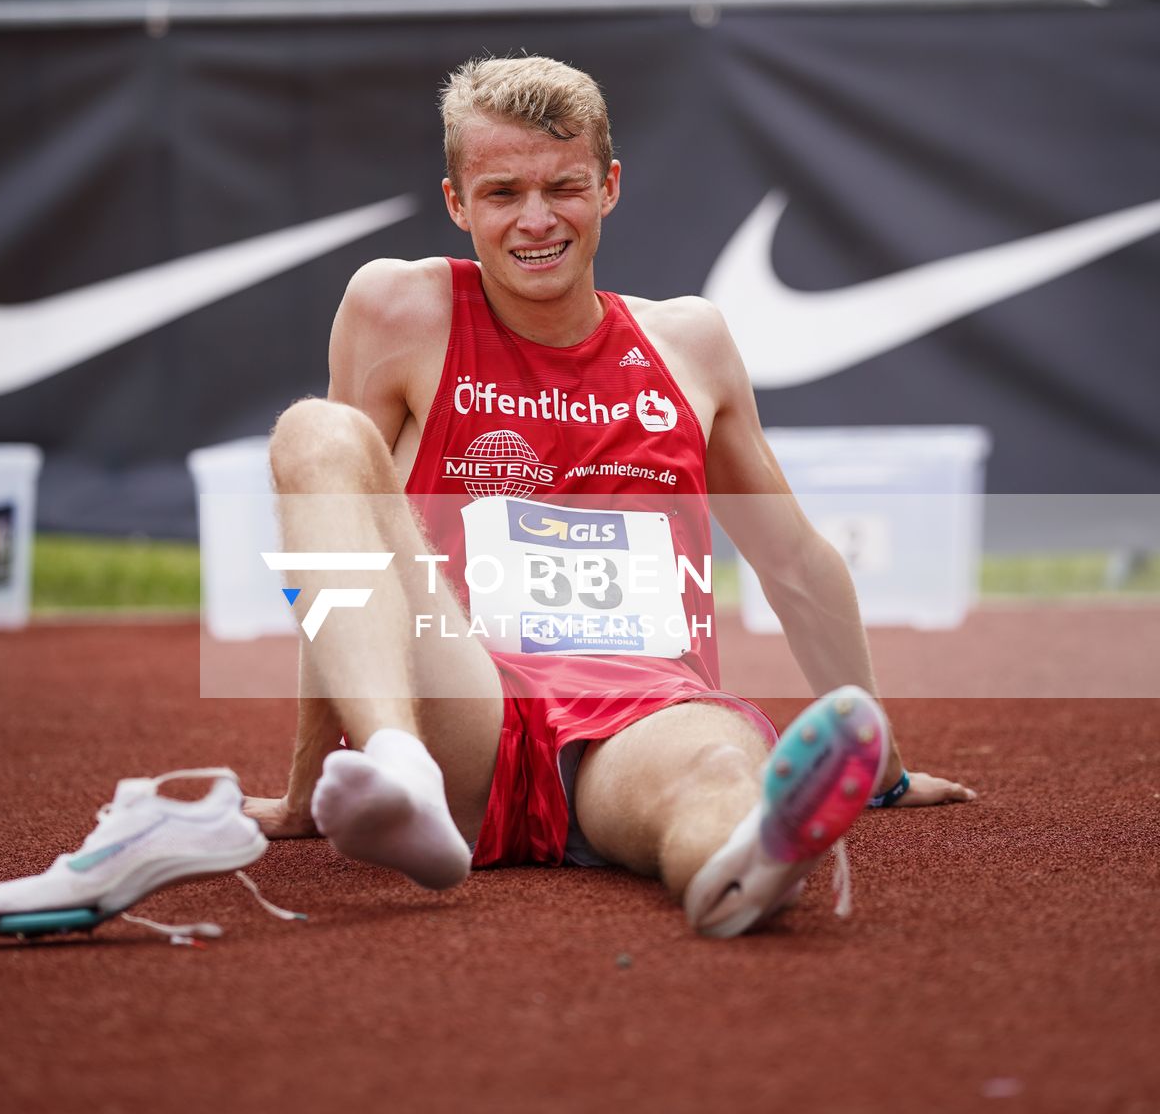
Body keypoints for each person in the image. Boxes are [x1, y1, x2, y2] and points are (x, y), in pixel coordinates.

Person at [245, 54, 974, 938]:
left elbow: (793, 561)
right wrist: (302, 791)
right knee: (313, 434)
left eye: (565, 187)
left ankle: (742, 864)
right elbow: (339, 543)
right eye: (503, 191)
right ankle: (399, 771)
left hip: (640, 714)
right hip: (459, 709)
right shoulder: (402, 308)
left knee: (716, 770)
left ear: (611, 186)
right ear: (456, 202)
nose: (536, 220)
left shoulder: (691, 344)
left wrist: (884, 767)